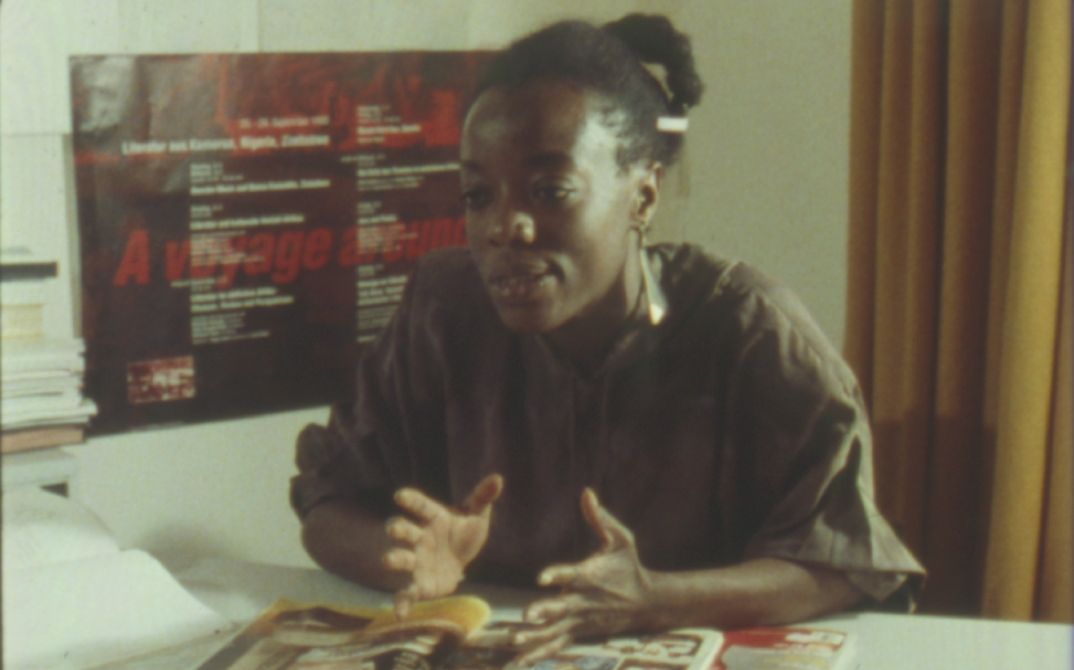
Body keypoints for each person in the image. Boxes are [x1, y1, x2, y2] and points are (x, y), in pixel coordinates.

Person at [291, 13, 924, 665]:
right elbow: (326, 505)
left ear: (643, 195)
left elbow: (844, 563)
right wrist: (407, 559)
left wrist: (656, 598)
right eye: (478, 195)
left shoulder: (752, 333)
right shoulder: (444, 311)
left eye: (550, 190)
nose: (506, 227)